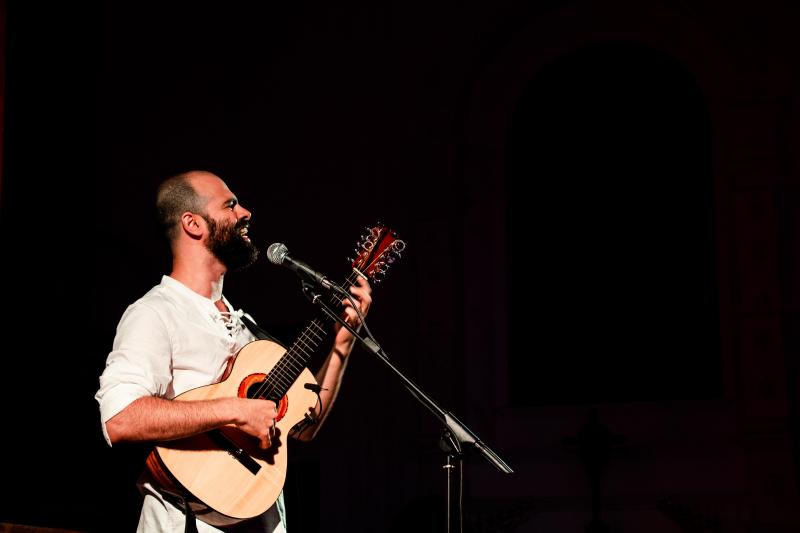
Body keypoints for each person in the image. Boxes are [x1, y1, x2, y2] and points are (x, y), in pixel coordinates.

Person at [95, 170, 372, 533]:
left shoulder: (246, 328)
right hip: (187, 522)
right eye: (230, 205)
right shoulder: (155, 312)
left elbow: (304, 427)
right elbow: (120, 419)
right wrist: (234, 411)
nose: (246, 212)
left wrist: (342, 343)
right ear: (193, 224)